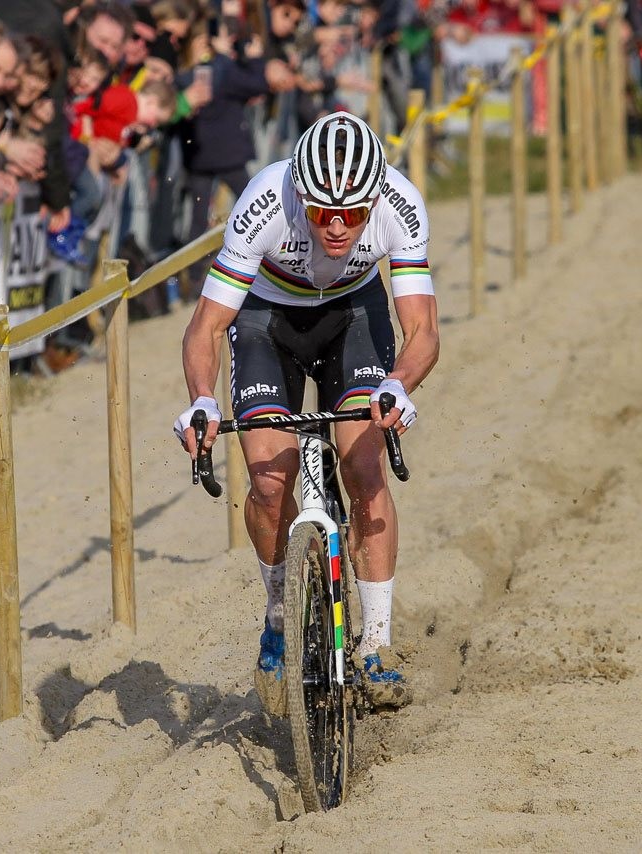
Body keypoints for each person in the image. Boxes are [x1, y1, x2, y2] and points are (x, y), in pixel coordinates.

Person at [174, 112, 439, 713]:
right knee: (269, 484)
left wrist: (397, 385)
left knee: (365, 471)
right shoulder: (266, 199)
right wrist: (202, 400)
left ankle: (375, 646)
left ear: (375, 199)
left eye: (353, 214)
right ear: (300, 195)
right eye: (322, 214)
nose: (339, 227)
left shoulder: (401, 202)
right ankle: (278, 614)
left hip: (355, 318)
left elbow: (423, 329)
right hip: (268, 321)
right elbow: (206, 327)